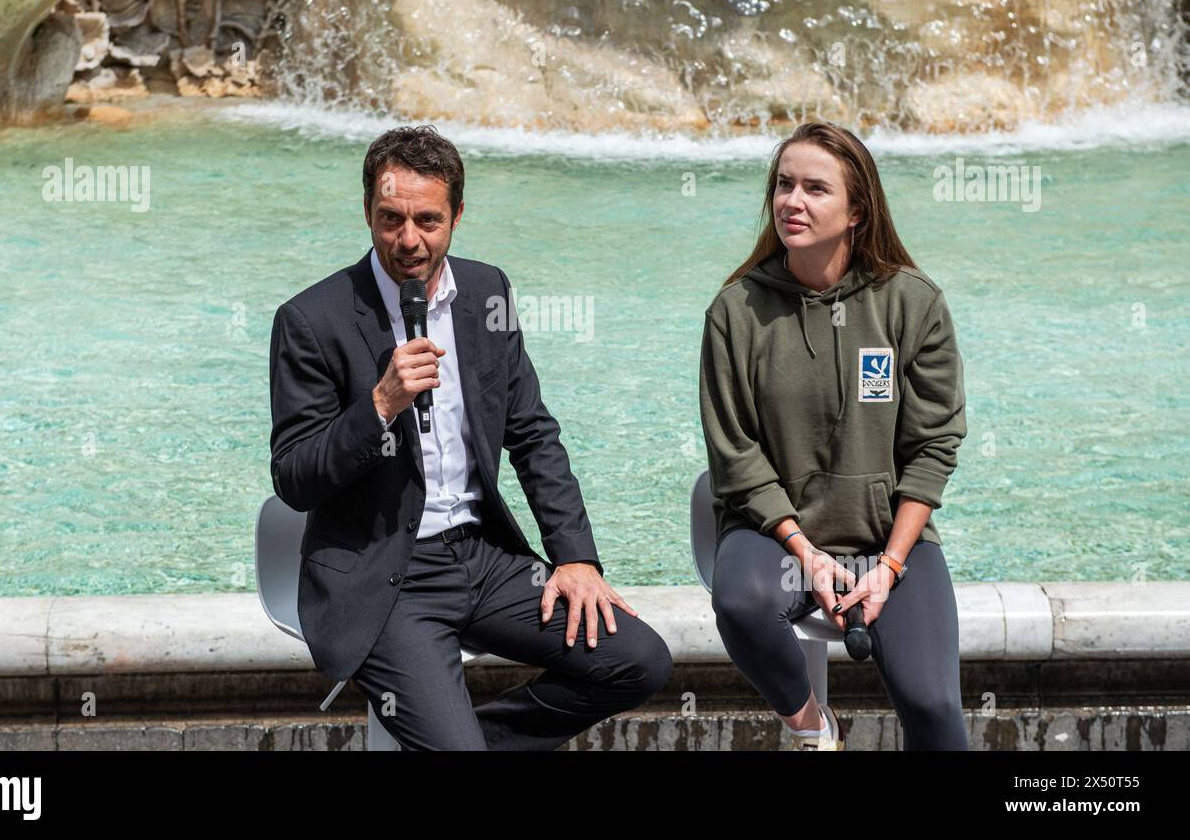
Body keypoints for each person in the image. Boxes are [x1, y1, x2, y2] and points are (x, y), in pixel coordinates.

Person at [269, 124, 672, 750]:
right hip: (386, 575)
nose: (409, 240)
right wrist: (377, 405)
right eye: (390, 219)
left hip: (483, 560)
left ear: (458, 214)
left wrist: (575, 557)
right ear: (367, 214)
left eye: (428, 220)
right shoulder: (310, 319)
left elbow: (534, 435)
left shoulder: (488, 292)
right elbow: (294, 478)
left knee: (639, 660)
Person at [698, 120, 969, 751]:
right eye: (784, 185)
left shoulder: (913, 303)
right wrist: (804, 550)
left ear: (857, 212)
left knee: (932, 707)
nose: (793, 201)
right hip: (774, 535)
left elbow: (934, 446)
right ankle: (813, 727)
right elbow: (734, 453)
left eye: (816, 189)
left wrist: (892, 563)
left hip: (885, 538)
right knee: (741, 602)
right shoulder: (734, 312)